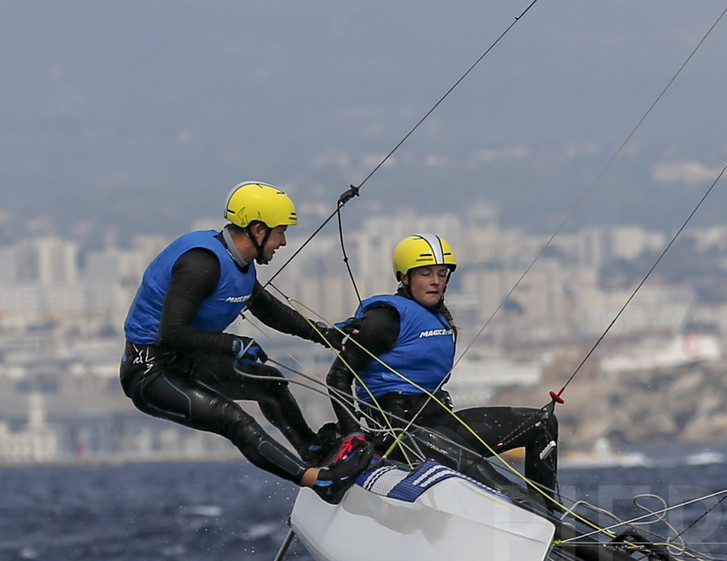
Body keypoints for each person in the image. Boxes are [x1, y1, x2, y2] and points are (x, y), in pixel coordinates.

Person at [122, 181, 374, 502]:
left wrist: (328, 336)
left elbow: (271, 311)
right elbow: (172, 332)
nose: (283, 242)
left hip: (189, 360)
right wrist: (233, 344)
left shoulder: (240, 263)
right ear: (257, 229)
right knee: (234, 420)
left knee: (271, 384)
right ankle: (320, 481)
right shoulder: (202, 264)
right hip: (150, 372)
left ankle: (313, 451)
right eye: (280, 232)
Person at [324, 232, 558, 495]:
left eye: (442, 273)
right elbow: (337, 379)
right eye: (425, 273)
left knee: (542, 424)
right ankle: (547, 528)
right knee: (501, 489)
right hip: (402, 437)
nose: (435, 281)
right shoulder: (385, 318)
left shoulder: (436, 317)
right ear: (404, 277)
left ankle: (552, 514)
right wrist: (352, 434)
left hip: (440, 424)